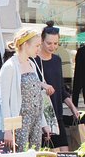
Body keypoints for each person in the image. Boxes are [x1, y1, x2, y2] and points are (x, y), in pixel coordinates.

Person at [0, 28, 49, 151]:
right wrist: (8, 130)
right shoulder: (10, 67)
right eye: (37, 45)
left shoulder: (32, 63)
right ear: (26, 44)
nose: (39, 49)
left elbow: (37, 96)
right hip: (20, 120)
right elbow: (4, 101)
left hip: (35, 120)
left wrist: (44, 124)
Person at [34, 22, 80, 150]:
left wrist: (72, 107)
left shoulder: (56, 60)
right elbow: (28, 86)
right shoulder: (34, 60)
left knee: (65, 155)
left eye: (55, 43)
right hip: (43, 116)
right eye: (49, 43)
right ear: (42, 41)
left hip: (57, 115)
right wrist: (43, 86)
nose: (52, 46)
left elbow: (61, 89)